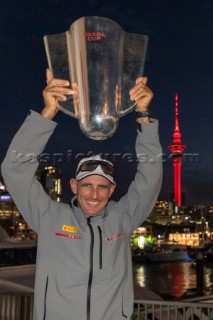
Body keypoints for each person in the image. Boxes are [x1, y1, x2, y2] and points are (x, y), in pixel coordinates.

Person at [1, 69, 162, 320]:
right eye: (87, 185)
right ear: (74, 186)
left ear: (112, 190)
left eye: (102, 187)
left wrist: (143, 116)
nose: (94, 194)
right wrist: (48, 113)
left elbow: (150, 177)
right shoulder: (49, 216)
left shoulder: (123, 217)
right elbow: (14, 169)